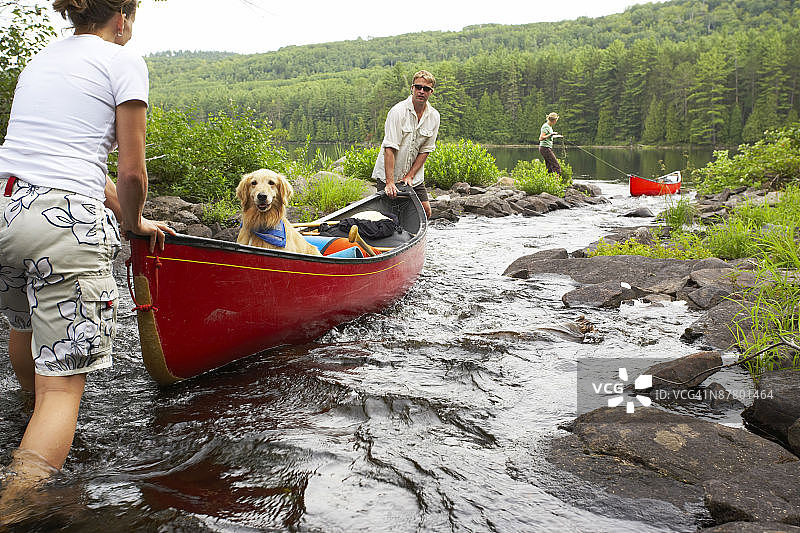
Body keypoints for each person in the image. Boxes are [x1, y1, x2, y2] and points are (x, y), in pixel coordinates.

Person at [0, 0, 173, 493]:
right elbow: (132, 171)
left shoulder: (41, 61)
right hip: (64, 227)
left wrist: (122, 211)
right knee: (61, 390)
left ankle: (28, 419)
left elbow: (68, 160)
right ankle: (16, 505)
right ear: (122, 19)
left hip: (6, 207)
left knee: (23, 326)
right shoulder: (122, 60)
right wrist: (135, 222)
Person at [371, 70, 440, 219]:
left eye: (426, 89)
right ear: (412, 88)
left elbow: (425, 150)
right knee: (387, 217)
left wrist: (410, 176)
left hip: (413, 177)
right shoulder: (397, 112)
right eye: (418, 87)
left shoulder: (434, 116)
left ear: (431, 92)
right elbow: (389, 148)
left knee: (425, 211)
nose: (421, 91)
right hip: (388, 175)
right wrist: (390, 182)